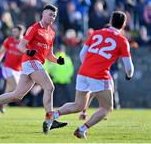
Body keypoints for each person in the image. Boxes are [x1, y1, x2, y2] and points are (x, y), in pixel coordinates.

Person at [0, 4, 67, 134]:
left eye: (54, 15)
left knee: (17, 95)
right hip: (31, 62)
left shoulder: (52, 33)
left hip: (33, 63)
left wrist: (57, 60)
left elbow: (49, 55)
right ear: (43, 14)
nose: (52, 17)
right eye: (50, 14)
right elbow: (21, 45)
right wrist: (27, 52)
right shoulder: (34, 28)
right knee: (49, 87)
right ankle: (49, 120)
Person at [52, 11, 134, 139]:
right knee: (107, 108)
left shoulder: (96, 33)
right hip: (99, 74)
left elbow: (82, 54)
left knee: (78, 105)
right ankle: (82, 129)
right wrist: (129, 75)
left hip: (83, 72)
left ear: (111, 21)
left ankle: (52, 115)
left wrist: (89, 65)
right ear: (124, 25)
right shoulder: (122, 40)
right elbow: (128, 67)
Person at [0, 25, 25, 117]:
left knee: (9, 91)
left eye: (15, 32)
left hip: (18, 70)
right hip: (7, 68)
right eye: (13, 31)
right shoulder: (8, 40)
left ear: (21, 32)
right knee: (17, 88)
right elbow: (1, 52)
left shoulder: (24, 42)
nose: (13, 33)